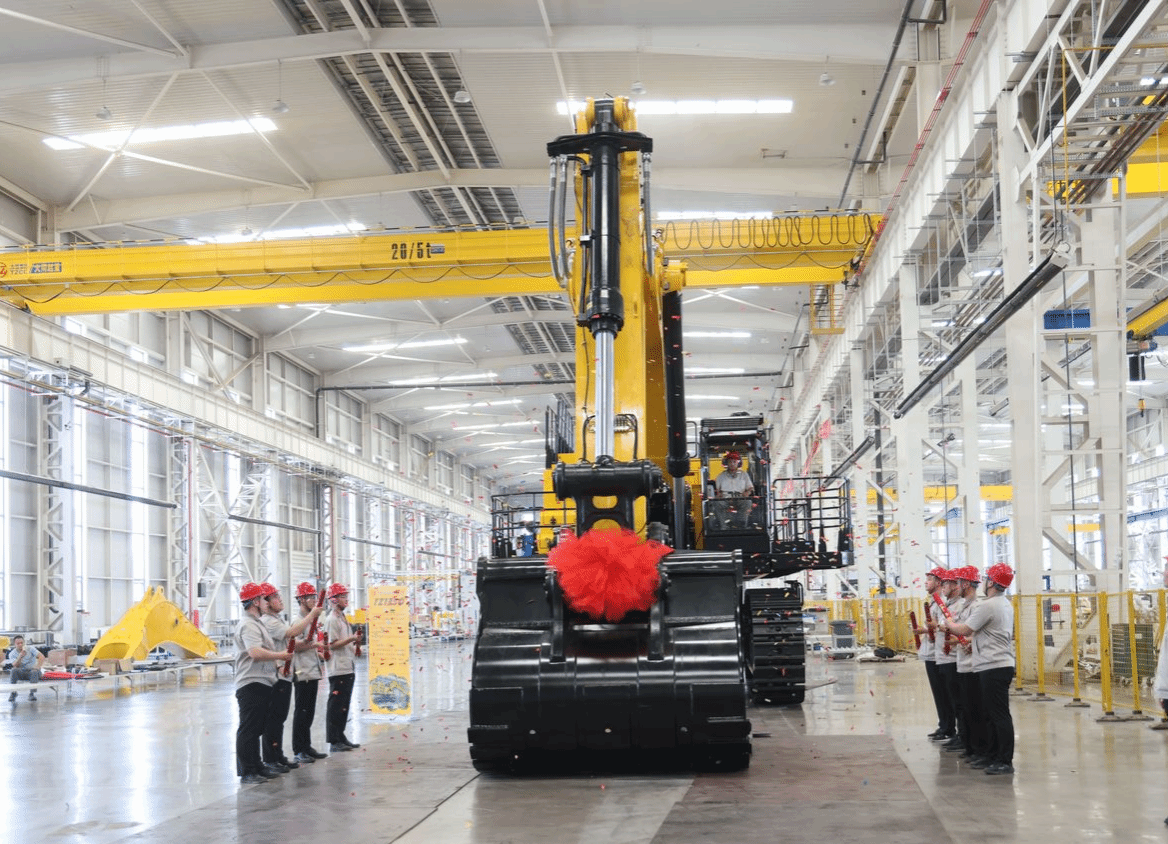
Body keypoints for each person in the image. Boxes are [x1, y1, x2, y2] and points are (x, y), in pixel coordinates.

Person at [942, 563, 1016, 776]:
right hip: (996, 664)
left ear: (991, 582)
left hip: (993, 664)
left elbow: (964, 629)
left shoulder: (987, 606)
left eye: (986, 578)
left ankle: (1004, 760)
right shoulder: (1004, 604)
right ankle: (992, 755)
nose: (983, 582)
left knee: (998, 715)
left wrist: (948, 622)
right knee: (991, 714)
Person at [235, 582, 302, 785]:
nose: (266, 602)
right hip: (251, 681)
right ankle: (248, 770)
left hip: (263, 680)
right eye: (263, 599)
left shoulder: (257, 623)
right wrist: (280, 655)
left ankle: (257, 765)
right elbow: (255, 652)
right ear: (255, 602)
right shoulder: (248, 625)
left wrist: (277, 664)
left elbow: (265, 650)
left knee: (257, 727)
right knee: (249, 728)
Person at [259, 582, 322, 772]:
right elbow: (292, 634)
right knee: (274, 719)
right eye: (275, 597)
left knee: (280, 718)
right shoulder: (270, 621)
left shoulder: (277, 619)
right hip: (279, 674)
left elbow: (290, 643)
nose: (280, 600)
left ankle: (278, 756)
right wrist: (312, 617)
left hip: (286, 673)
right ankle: (271, 759)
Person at [950, 566, 989, 767]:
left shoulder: (978, 606)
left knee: (976, 710)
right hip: (963, 663)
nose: (956, 586)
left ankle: (981, 749)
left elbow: (972, 631)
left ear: (966, 584)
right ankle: (972, 748)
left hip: (974, 665)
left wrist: (950, 626)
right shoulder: (966, 606)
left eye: (958, 582)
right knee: (967, 709)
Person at [291, 582, 328, 764]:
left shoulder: (311, 621)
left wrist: (318, 651)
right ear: (302, 600)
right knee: (302, 712)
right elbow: (293, 645)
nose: (314, 600)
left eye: (315, 597)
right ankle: (299, 750)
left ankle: (306, 746)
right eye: (311, 597)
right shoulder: (298, 622)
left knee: (309, 712)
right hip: (302, 671)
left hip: (312, 670)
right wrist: (312, 644)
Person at [914, 567, 951, 740]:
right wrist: (923, 630)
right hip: (933, 652)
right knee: (939, 693)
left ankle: (948, 727)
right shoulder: (934, 601)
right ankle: (944, 725)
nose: (926, 582)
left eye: (929, 579)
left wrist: (930, 628)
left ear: (938, 582)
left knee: (944, 693)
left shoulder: (942, 602)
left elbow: (944, 626)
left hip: (940, 654)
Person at [325, 583, 363, 753]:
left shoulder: (342, 618)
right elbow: (331, 644)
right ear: (333, 599)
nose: (346, 599)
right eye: (342, 596)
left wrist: (354, 643)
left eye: (346, 596)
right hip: (338, 668)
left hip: (347, 666)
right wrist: (351, 639)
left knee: (343, 705)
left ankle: (340, 736)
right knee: (336, 705)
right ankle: (334, 740)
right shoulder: (332, 619)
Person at [932, 570, 961, 748]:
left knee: (959, 702)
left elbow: (961, 629)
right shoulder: (947, 604)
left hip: (955, 658)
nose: (943, 586)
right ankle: (954, 732)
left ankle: (961, 735)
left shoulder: (961, 605)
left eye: (946, 583)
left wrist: (943, 627)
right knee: (949, 698)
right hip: (944, 655)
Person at [713, 451, 755, 528]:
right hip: (725, 499)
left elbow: (750, 488)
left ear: (738, 463)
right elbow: (718, 491)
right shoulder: (720, 476)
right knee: (717, 503)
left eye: (734, 462)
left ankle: (742, 525)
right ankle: (724, 526)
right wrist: (719, 495)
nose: (732, 464)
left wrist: (747, 493)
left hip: (740, 498)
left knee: (748, 502)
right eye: (730, 462)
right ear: (727, 463)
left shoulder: (744, 475)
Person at [7, 635, 45, 702]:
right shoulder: (12, 654)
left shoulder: (30, 649)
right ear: (14, 644)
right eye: (18, 643)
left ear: (24, 643)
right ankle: (13, 692)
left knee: (34, 672)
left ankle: (32, 694)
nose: (20, 645)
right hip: (22, 672)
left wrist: (38, 667)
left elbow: (41, 656)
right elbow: (15, 665)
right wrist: (20, 656)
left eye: (22, 643)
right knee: (13, 670)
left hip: (33, 671)